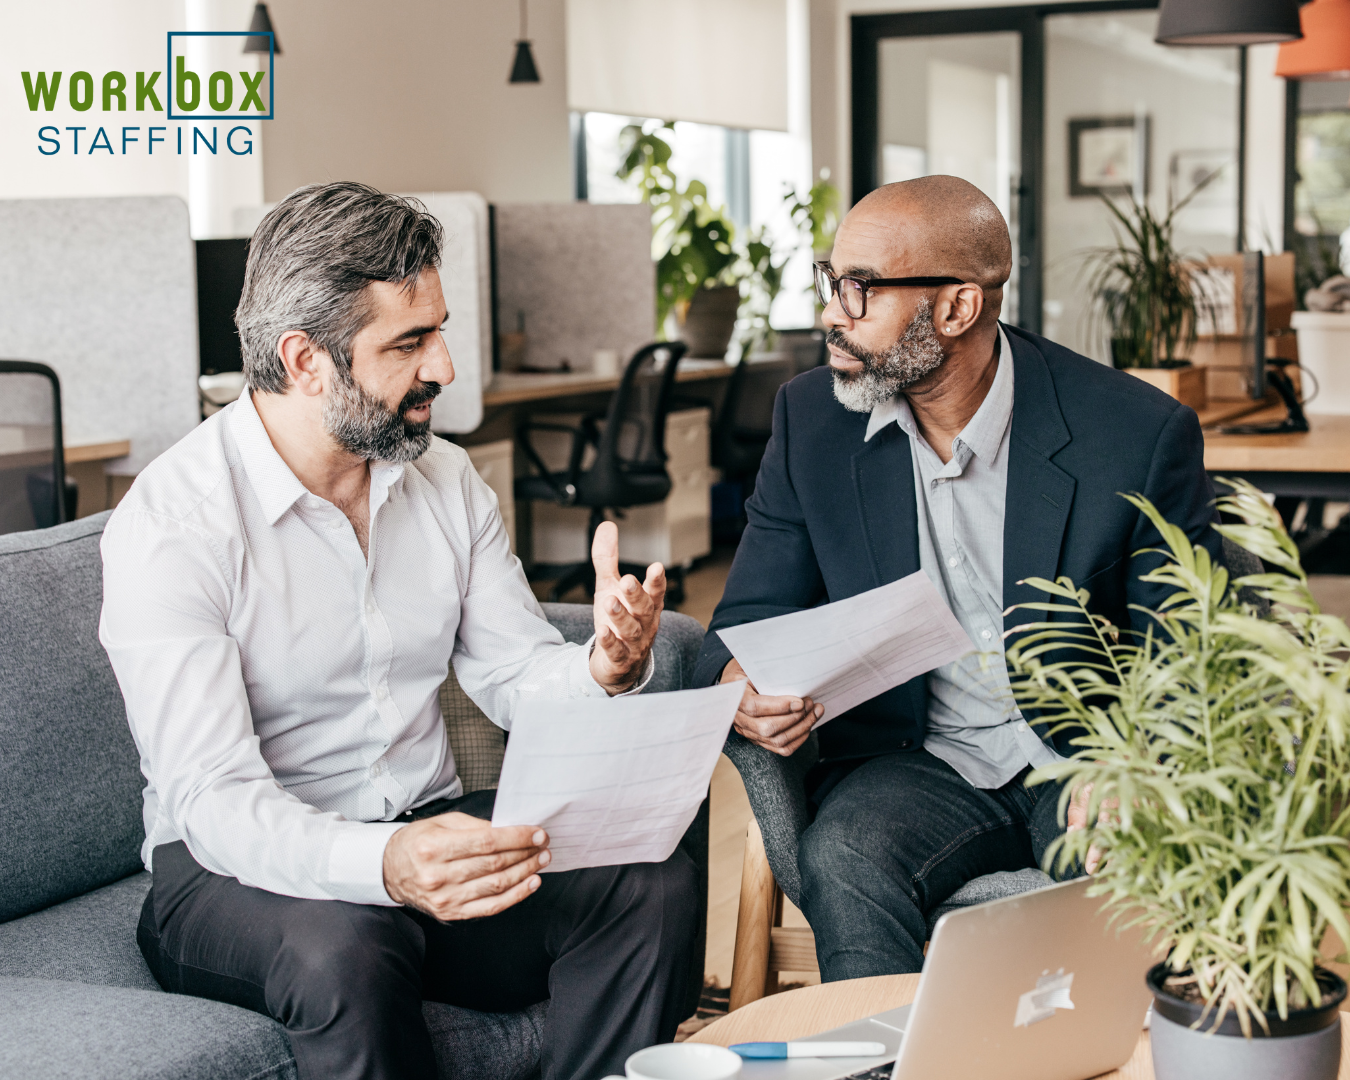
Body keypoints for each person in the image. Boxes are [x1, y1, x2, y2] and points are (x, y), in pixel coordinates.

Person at [100, 182, 697, 1080]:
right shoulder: (174, 524)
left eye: (440, 330)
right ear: (305, 360)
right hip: (234, 870)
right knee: (346, 947)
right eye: (409, 343)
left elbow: (511, 672)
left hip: (427, 823)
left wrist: (602, 668)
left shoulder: (445, 481)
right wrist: (385, 863)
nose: (446, 369)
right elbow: (214, 802)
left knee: (648, 880)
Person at [693, 175, 1221, 980]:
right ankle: (875, 1064)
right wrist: (743, 682)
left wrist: (1137, 768)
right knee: (842, 854)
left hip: (1087, 757)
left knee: (1131, 866)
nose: (832, 313)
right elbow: (745, 618)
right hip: (919, 757)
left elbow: (1192, 655)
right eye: (831, 282)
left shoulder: (1135, 433)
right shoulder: (811, 421)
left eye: (860, 290)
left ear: (958, 309)